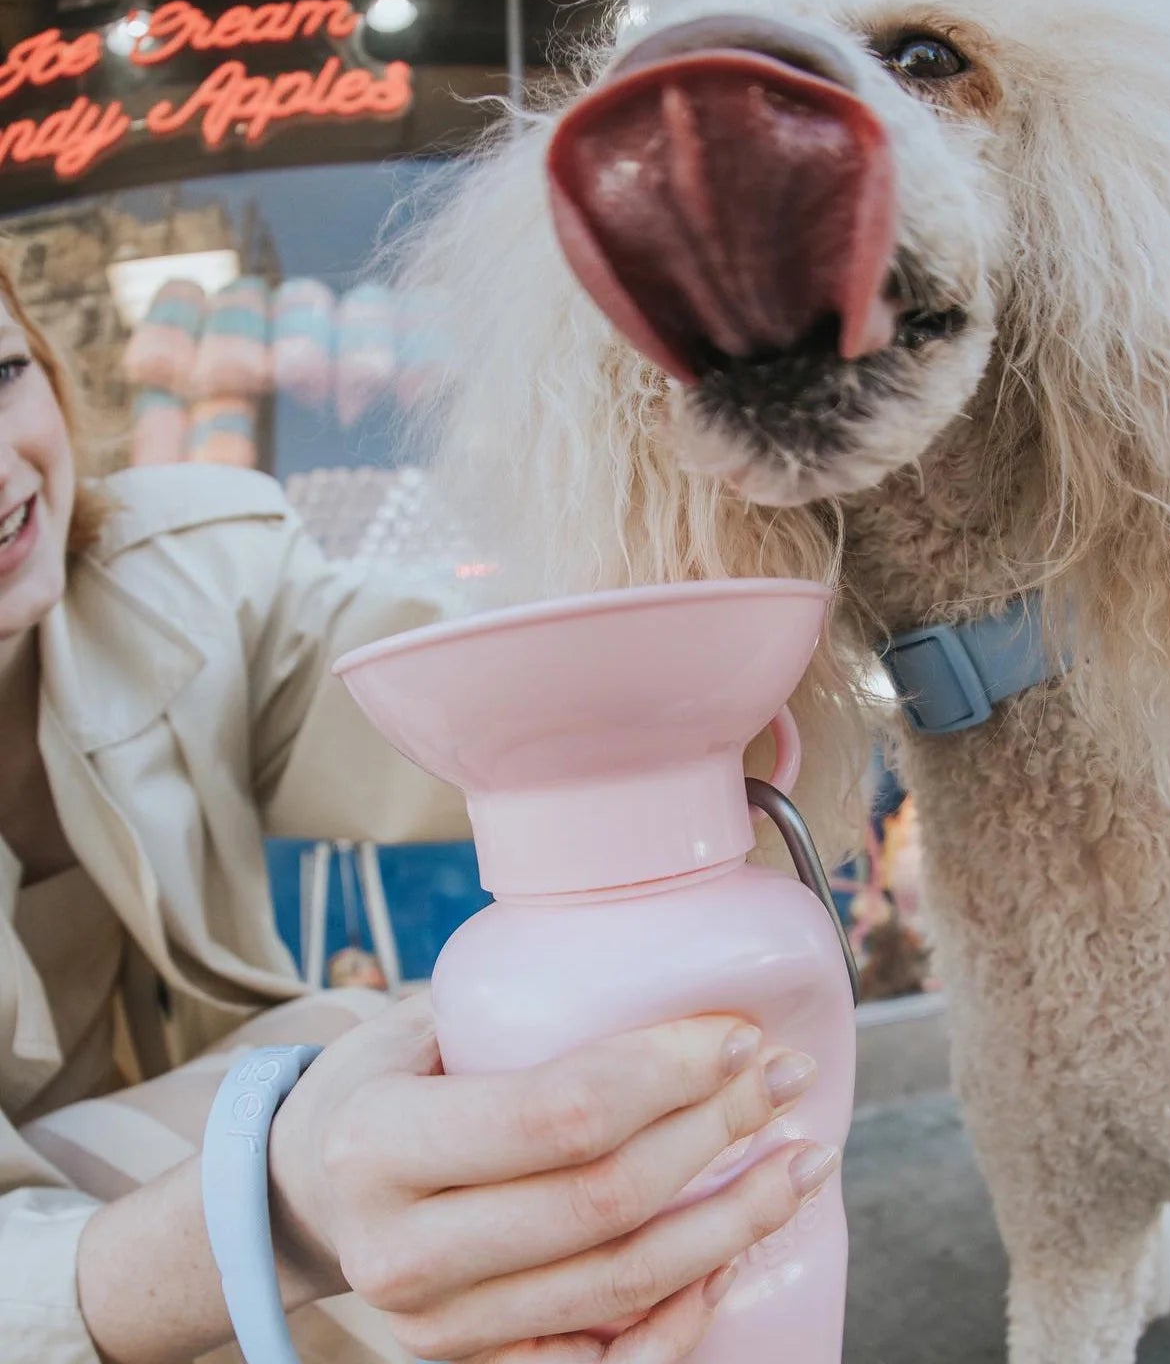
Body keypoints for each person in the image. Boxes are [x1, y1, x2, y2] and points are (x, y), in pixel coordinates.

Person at [0, 254, 832, 1364]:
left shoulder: (174, 577)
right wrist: (274, 1216)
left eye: (2, 372)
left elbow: (493, 686)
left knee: (450, 1091)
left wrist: (709, 494)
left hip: (187, 1164)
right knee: (365, 1068)